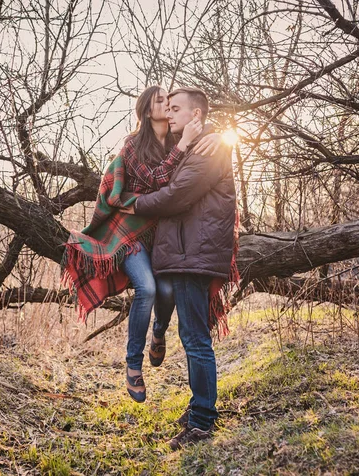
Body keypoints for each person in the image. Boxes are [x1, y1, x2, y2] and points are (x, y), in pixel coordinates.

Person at [127, 87, 237, 450]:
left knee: (195, 340)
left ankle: (203, 421)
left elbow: (175, 195)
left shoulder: (210, 149)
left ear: (196, 116)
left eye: (176, 109)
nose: (169, 115)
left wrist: (137, 204)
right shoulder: (195, 146)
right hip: (187, 255)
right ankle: (198, 411)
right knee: (191, 337)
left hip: (195, 256)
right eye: (167, 108)